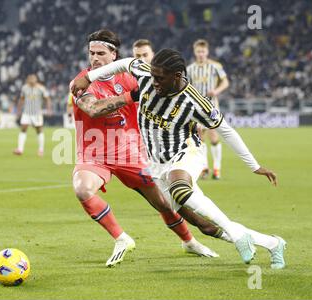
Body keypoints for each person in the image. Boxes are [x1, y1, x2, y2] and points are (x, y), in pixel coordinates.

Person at [71, 49, 287, 269]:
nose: (153, 82)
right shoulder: (147, 77)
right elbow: (125, 63)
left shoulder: (195, 102)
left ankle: (237, 236)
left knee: (180, 188)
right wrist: (88, 77)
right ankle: (273, 243)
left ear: (177, 76)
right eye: (153, 76)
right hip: (157, 164)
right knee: (203, 224)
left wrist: (254, 166)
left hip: (187, 153)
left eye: (160, 78)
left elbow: (226, 130)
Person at [70, 29, 221, 268]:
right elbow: (94, 109)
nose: (95, 58)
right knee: (82, 189)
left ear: (114, 55)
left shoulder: (131, 78)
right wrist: (132, 96)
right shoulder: (82, 82)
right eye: (91, 53)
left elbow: (171, 98)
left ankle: (189, 241)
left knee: (163, 202)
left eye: (100, 53)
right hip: (94, 152)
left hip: (130, 151)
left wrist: (192, 123)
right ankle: (121, 238)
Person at [187, 39, 229, 179]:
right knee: (199, 136)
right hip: (196, 107)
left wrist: (217, 91)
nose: (201, 54)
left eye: (203, 51)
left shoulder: (215, 66)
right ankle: (204, 167)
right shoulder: (190, 69)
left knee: (213, 135)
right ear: (195, 52)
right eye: (198, 51)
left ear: (207, 52)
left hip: (211, 106)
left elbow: (225, 81)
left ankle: (217, 168)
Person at [13, 74, 52, 156]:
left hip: (37, 113)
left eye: (33, 79)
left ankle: (41, 150)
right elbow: (22, 99)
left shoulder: (41, 88)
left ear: (36, 80)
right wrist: (19, 110)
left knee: (39, 130)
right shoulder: (24, 88)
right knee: (23, 128)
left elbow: (47, 98)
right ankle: (20, 149)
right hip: (26, 113)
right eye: (29, 79)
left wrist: (49, 109)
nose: (31, 80)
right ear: (27, 80)